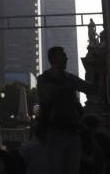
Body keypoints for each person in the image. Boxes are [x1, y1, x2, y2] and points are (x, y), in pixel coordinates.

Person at [36, 46, 90, 174]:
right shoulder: (44, 79)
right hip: (55, 132)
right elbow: (44, 99)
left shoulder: (69, 78)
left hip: (73, 131)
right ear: (54, 59)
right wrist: (59, 89)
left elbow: (89, 88)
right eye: (63, 56)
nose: (66, 58)